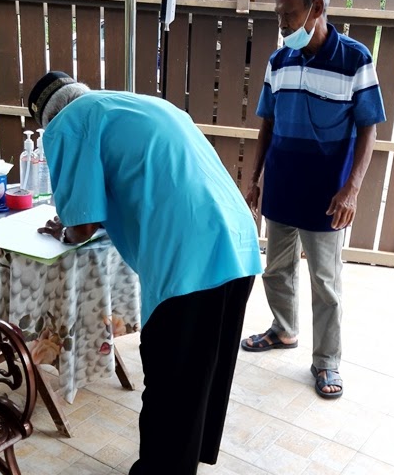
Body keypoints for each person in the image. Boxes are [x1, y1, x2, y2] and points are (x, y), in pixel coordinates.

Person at [27, 72, 262, 475]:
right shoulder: (134, 104)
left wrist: (65, 229)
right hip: (237, 240)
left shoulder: (68, 123)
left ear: (47, 118)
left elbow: (82, 225)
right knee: (206, 364)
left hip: (190, 255)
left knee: (171, 375)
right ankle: (188, 457)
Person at [241, 0, 386, 399]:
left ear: (316, 7)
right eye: (278, 14)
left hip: (327, 196)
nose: (283, 24)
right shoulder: (279, 60)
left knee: (326, 283)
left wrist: (352, 190)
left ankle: (326, 362)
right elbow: (267, 124)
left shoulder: (355, 60)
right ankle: (284, 330)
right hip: (282, 188)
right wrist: (255, 179)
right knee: (276, 270)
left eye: (289, 14)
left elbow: (369, 129)